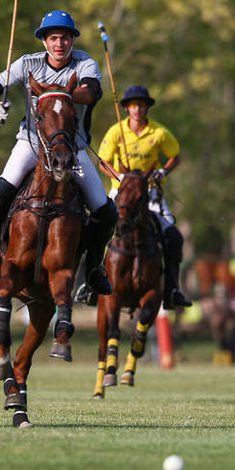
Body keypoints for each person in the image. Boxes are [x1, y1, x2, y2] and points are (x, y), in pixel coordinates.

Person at [0, 10, 117, 297]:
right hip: (31, 144)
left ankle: (94, 269)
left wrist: (57, 95)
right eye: (53, 38)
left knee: (106, 211)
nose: (59, 44)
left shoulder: (85, 63)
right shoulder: (27, 63)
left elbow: (93, 92)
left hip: (72, 149)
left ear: (72, 40)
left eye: (65, 38)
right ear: (44, 41)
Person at [93, 85, 190, 309]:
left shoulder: (159, 133)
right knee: (98, 229)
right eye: (133, 105)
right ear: (127, 108)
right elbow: (103, 161)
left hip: (150, 193)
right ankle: (92, 282)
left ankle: (172, 289)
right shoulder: (116, 131)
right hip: (122, 191)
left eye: (142, 105)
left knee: (173, 236)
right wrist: (119, 177)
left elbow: (175, 156)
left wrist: (163, 171)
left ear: (147, 108)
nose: (138, 109)